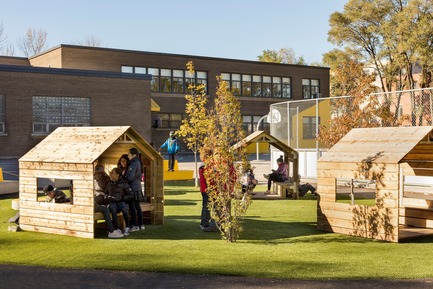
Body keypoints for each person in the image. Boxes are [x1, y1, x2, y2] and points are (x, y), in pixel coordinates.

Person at [94, 164, 123, 238]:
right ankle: (112, 230)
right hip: (92, 200)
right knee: (101, 204)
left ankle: (112, 230)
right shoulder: (92, 178)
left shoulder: (106, 179)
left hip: (103, 198)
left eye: (100, 173)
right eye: (97, 173)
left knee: (102, 202)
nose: (98, 174)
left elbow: (107, 191)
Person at [105, 167, 133, 236]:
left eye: (112, 173)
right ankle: (117, 229)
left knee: (124, 207)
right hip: (112, 203)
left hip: (121, 202)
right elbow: (105, 194)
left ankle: (127, 227)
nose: (111, 175)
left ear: (117, 175)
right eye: (110, 173)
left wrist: (122, 198)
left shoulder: (124, 183)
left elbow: (131, 195)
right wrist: (108, 197)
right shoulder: (109, 184)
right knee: (113, 208)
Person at [125, 147, 145, 232]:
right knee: (137, 207)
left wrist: (124, 179)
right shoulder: (138, 162)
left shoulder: (133, 163)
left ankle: (134, 225)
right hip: (138, 187)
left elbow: (130, 176)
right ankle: (141, 224)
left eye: (129, 154)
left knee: (132, 207)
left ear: (133, 155)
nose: (128, 156)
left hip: (133, 188)